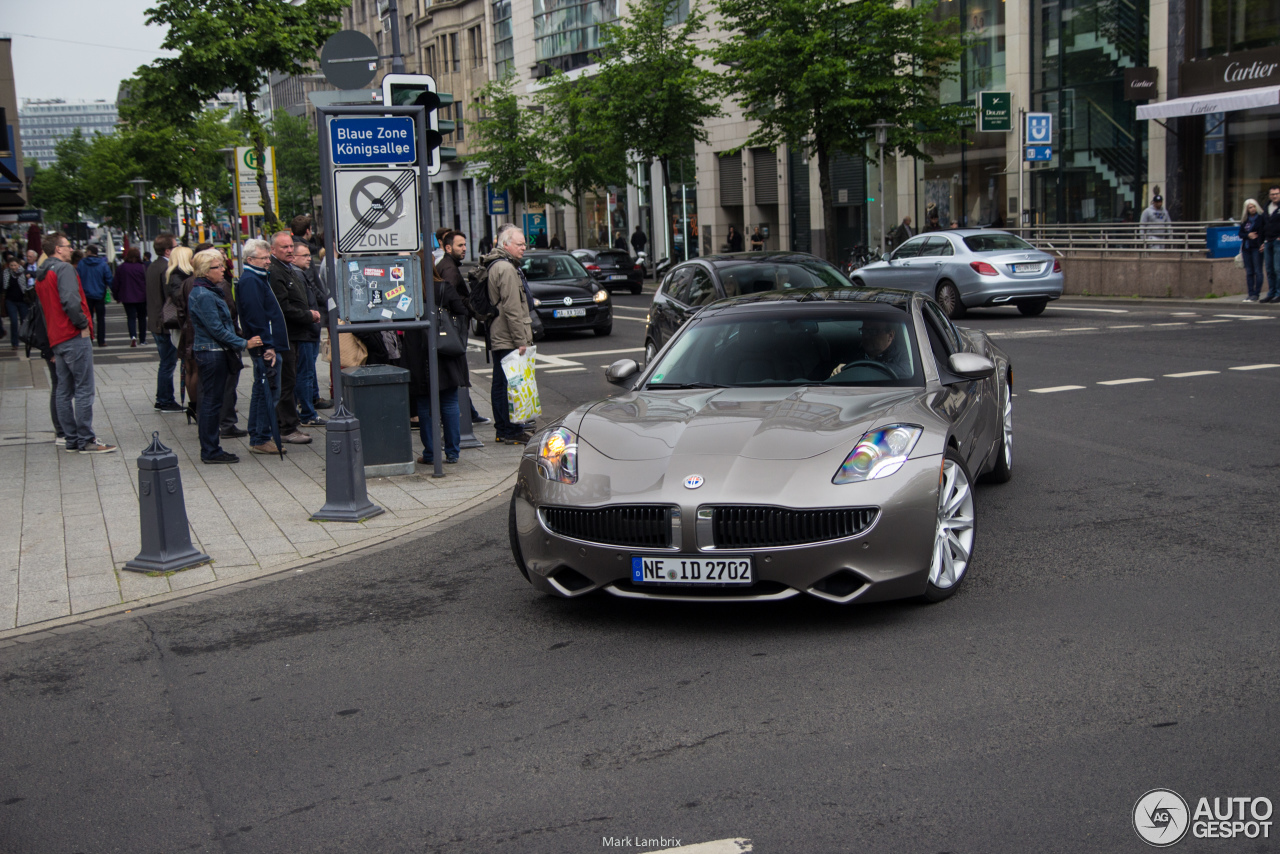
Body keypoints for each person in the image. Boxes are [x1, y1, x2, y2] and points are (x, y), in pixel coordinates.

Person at [34, 232, 115, 454]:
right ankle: (85, 440)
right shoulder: (64, 269)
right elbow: (71, 300)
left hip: (56, 336)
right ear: (57, 249)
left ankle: (70, 438)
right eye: (67, 246)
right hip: (71, 334)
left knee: (63, 389)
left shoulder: (42, 274)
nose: (71, 249)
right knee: (83, 388)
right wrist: (82, 324)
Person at [188, 249, 261, 464]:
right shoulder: (203, 294)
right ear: (204, 271)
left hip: (215, 352)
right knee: (211, 403)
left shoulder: (208, 290)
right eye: (218, 267)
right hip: (212, 354)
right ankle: (210, 450)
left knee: (213, 402)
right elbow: (216, 329)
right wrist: (243, 343)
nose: (223, 270)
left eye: (222, 266)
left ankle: (212, 448)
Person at [404, 265, 470, 464]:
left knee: (424, 405)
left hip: (417, 350)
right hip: (444, 349)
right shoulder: (443, 287)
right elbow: (462, 311)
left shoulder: (409, 288)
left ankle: (431, 454)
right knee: (449, 402)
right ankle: (452, 452)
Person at [234, 239, 287, 456]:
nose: (268, 261)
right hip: (265, 346)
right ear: (250, 260)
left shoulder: (257, 278)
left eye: (268, 257)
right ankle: (261, 437)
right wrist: (268, 346)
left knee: (262, 390)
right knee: (268, 390)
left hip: (266, 344)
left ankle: (259, 435)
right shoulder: (251, 281)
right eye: (264, 258)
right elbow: (256, 317)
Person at [267, 231, 319, 445]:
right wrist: (307, 315)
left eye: (290, 247)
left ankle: (288, 423)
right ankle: (286, 427)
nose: (289, 250)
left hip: (296, 333)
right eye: (284, 247)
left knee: (291, 378)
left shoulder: (287, 269)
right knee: (287, 382)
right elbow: (283, 307)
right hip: (286, 335)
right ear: (273, 250)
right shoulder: (276, 271)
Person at [483, 224, 534, 445]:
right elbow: (513, 308)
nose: (524, 247)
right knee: (510, 385)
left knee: (501, 383)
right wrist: (521, 340)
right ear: (506, 245)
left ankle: (503, 429)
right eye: (520, 244)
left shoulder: (499, 265)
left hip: (501, 334)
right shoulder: (505, 268)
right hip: (508, 336)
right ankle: (510, 430)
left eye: (525, 243)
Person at [146, 233, 184, 413]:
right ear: (168, 250)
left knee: (166, 362)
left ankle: (162, 398)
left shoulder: (153, 265)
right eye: (175, 246)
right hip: (165, 323)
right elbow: (170, 297)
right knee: (168, 363)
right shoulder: (166, 268)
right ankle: (165, 399)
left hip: (155, 320)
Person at [291, 241, 326, 427]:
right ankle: (307, 413)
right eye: (304, 255)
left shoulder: (300, 273)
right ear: (294, 257)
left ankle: (306, 410)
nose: (309, 259)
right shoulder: (296, 275)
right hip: (305, 331)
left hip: (309, 330)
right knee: (305, 374)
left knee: (306, 373)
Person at [830, 319, 911, 379]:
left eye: (873, 332)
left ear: (890, 335)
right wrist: (838, 372)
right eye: (864, 331)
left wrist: (860, 370)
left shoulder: (906, 355)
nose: (866, 336)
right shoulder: (851, 353)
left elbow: (908, 372)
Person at [76, 245, 112, 347]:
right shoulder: (103, 264)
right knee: (101, 319)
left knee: (88, 319)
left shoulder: (82, 264)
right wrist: (116, 293)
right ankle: (101, 341)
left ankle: (89, 339)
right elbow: (109, 279)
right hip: (100, 295)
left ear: (88, 252)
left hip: (86, 295)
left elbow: (77, 278)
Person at [114, 247, 149, 346]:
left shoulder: (121, 268)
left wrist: (116, 296)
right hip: (142, 297)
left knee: (131, 318)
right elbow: (148, 282)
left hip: (127, 297)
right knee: (142, 318)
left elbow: (116, 283)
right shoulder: (142, 267)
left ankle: (133, 336)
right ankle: (142, 339)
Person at [1238, 199, 1267, 302]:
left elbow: (1264, 231)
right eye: (1250, 207)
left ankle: (1256, 294)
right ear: (1246, 209)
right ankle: (1250, 293)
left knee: (1258, 271)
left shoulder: (1261, 218)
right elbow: (1240, 234)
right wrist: (1248, 235)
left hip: (1256, 247)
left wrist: (1263, 243)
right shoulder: (1245, 220)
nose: (1252, 209)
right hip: (1246, 247)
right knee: (1249, 272)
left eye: (1254, 206)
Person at [3, 254, 28, 349]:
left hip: (22, 301)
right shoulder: (6, 273)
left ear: (19, 265)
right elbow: (4, 286)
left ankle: (26, 340)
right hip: (10, 301)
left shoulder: (24, 273)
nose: (13, 267)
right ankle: (14, 343)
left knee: (24, 321)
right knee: (13, 322)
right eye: (11, 265)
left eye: (15, 265)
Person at [1261, 185, 1280, 303]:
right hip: (1268, 241)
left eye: (1277, 194)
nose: (1275, 196)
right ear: (1269, 196)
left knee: (1278, 268)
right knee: (1269, 269)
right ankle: (1271, 293)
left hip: (1278, 241)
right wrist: (1262, 241)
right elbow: (1262, 225)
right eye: (1272, 194)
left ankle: (1278, 293)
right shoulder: (1266, 207)